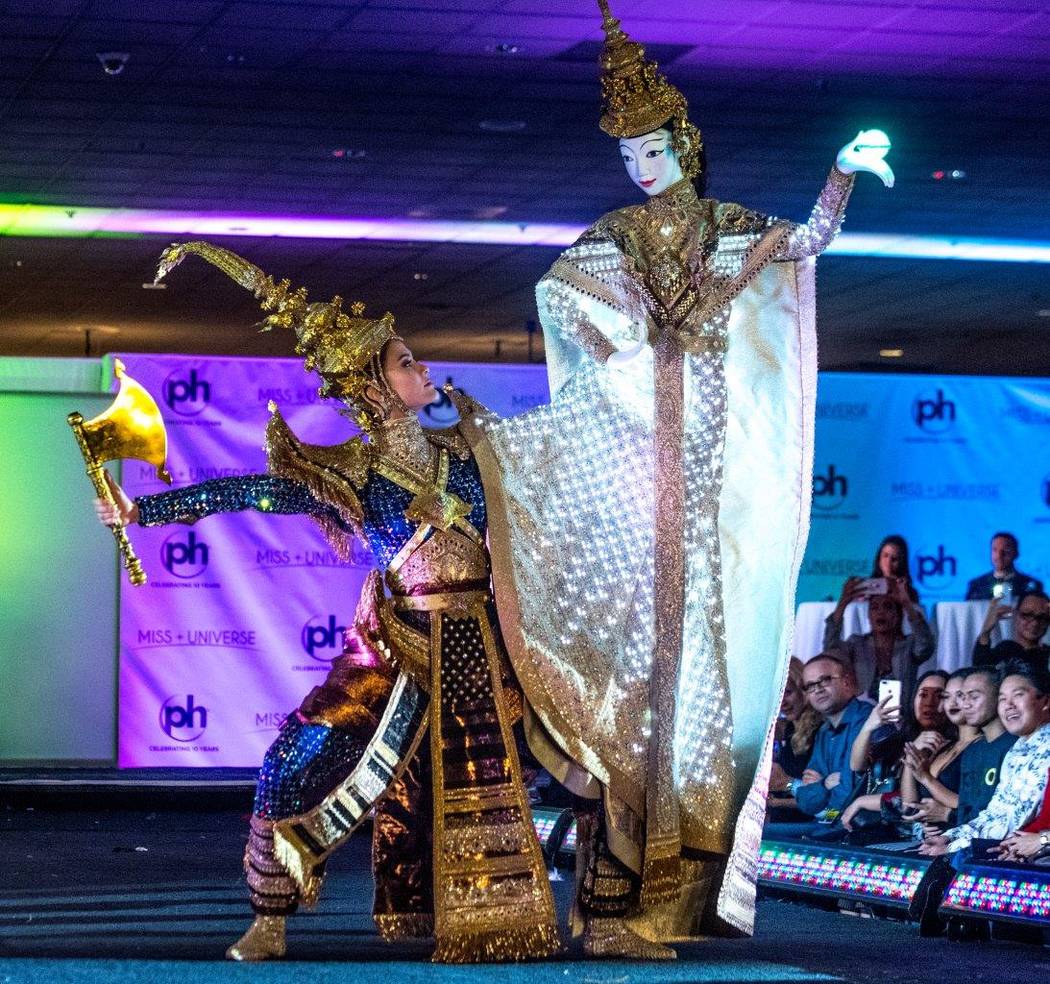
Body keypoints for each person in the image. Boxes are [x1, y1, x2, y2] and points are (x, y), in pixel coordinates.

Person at [464, 0, 894, 943]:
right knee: (638, 662)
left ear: (684, 145)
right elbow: (558, 294)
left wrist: (840, 174)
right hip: (636, 448)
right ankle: (619, 884)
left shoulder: (727, 227)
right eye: (627, 155)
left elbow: (806, 243)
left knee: (700, 661)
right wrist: (628, 347)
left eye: (651, 149)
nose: (639, 166)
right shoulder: (616, 235)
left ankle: (679, 889)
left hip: (704, 464)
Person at [96, 243, 561, 964]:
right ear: (374, 387)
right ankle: (270, 918)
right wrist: (143, 512)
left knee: (573, 766)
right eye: (406, 363)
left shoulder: (470, 452)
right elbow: (255, 491)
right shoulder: (349, 474)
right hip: (397, 649)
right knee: (292, 761)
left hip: (483, 648)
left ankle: (591, 917)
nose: (424, 371)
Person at [920, 662, 1050, 857]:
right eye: (1003, 698)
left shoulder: (1041, 746)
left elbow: (1014, 821)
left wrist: (955, 847)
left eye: (1018, 695)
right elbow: (997, 813)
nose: (1009, 705)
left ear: (1045, 701)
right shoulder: (1017, 750)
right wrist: (951, 836)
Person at [764, 654, 870, 839]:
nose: (818, 690)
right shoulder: (824, 732)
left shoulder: (863, 720)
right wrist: (825, 784)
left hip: (849, 829)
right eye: (811, 686)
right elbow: (808, 802)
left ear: (846, 682)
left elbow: (839, 806)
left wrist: (797, 786)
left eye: (825, 680)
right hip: (824, 823)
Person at [840, 671, 951, 835]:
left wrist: (864, 801)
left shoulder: (951, 747)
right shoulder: (898, 739)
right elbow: (857, 765)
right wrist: (868, 726)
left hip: (911, 834)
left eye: (939, 695)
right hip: (866, 825)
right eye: (923, 695)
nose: (929, 703)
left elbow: (913, 802)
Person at [823, 575, 935, 712]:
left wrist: (906, 603)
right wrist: (843, 602)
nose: (880, 613)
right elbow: (830, 650)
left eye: (888, 607)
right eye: (874, 608)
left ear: (897, 615)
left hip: (901, 717)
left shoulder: (909, 644)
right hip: (863, 717)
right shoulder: (857, 644)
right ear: (869, 615)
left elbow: (926, 646)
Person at [898, 669, 980, 828]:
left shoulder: (982, 746)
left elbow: (974, 805)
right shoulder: (944, 746)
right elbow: (909, 806)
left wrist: (926, 779)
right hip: (924, 836)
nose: (952, 703)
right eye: (947, 697)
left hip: (956, 836)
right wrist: (911, 756)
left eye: (960, 695)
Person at [767, 658, 823, 821]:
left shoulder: (820, 731)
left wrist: (784, 788)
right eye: (779, 694)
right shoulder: (790, 729)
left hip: (806, 827)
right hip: (782, 822)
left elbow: (829, 809)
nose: (782, 702)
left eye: (788, 692)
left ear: (803, 690)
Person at [973, 589, 1050, 671]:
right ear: (1016, 614)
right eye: (1027, 615)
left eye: (1042, 617)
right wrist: (986, 632)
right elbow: (980, 669)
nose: (1035, 623)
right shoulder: (1004, 650)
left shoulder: (1047, 655)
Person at [965, 532, 1043, 601]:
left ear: (1016, 553)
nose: (999, 555)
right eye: (995, 550)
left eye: (1006, 550)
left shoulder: (1031, 585)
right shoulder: (976, 585)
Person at [870, 534, 919, 603]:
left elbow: (914, 610)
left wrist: (904, 598)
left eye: (894, 558)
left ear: (901, 563)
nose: (888, 562)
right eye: (885, 555)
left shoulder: (910, 592)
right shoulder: (868, 586)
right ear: (879, 559)